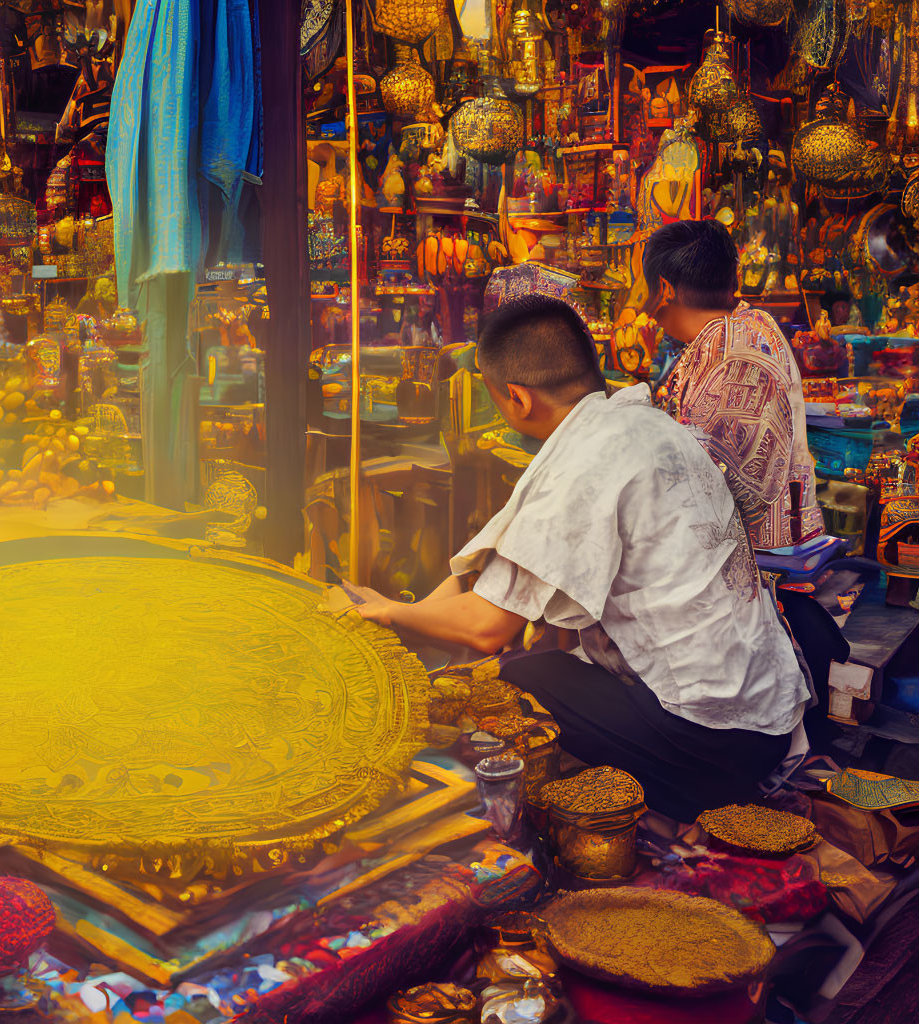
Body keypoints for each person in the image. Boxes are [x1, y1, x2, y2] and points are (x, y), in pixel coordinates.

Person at [343, 296, 810, 822]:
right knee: (545, 664)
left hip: (713, 738)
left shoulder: (587, 461)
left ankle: (670, 799)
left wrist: (389, 611)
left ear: (517, 399)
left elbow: (485, 628)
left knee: (522, 680)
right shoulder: (638, 425)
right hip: (766, 713)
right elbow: (491, 569)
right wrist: (398, 615)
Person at [644, 219, 824, 551]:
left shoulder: (733, 343)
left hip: (759, 555)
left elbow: (700, 473)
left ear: (665, 290)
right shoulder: (741, 328)